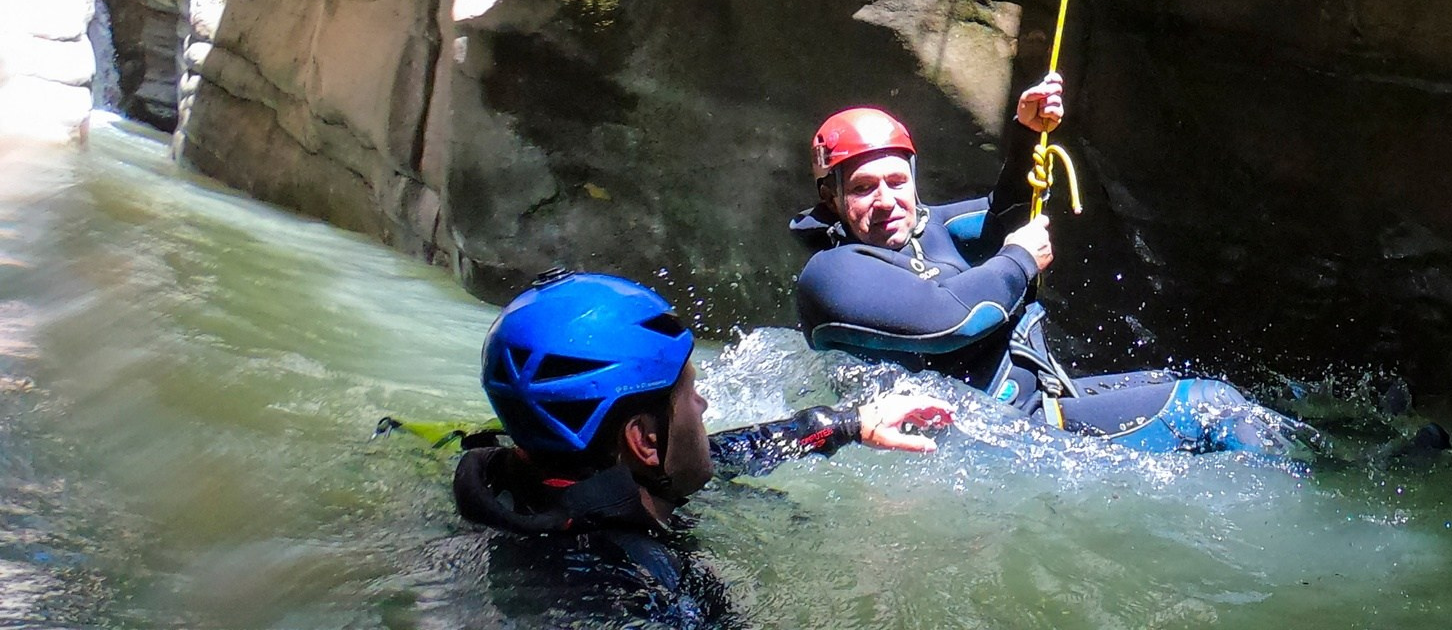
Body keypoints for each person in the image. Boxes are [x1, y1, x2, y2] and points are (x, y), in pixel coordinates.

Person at [792, 74, 1298, 457]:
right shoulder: (831, 273)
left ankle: (1317, 461)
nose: (886, 201)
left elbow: (1002, 214)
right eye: (863, 188)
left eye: (897, 182)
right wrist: (1019, 259)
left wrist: (1026, 136)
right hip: (995, 441)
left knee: (1203, 389)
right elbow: (947, 321)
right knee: (1212, 408)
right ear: (831, 198)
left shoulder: (929, 229)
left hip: (1025, 413)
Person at [452, 271, 955, 624]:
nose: (705, 403)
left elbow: (731, 451)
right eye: (689, 391)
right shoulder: (632, 591)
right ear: (645, 442)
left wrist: (850, 422)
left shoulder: (515, 485)